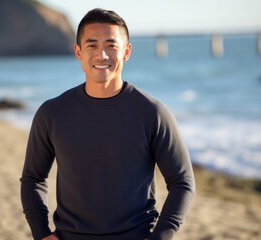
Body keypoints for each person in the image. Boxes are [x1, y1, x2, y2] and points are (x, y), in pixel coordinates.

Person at [20, 8, 195, 240]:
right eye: (92, 45)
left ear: (126, 52)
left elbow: (182, 182)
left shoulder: (153, 113)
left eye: (111, 45)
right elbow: (33, 178)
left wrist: (160, 237)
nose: (101, 55)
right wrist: (41, 233)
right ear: (78, 51)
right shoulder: (52, 113)